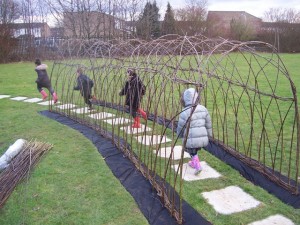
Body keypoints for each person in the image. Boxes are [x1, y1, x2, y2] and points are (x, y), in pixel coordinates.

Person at [176, 88, 212, 175]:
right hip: (202, 137)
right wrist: (209, 134)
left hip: (191, 138)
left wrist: (179, 135)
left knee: (192, 151)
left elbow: (181, 126)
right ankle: (193, 162)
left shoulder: (184, 112)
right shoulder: (203, 109)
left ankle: (197, 166)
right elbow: (208, 123)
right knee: (194, 149)